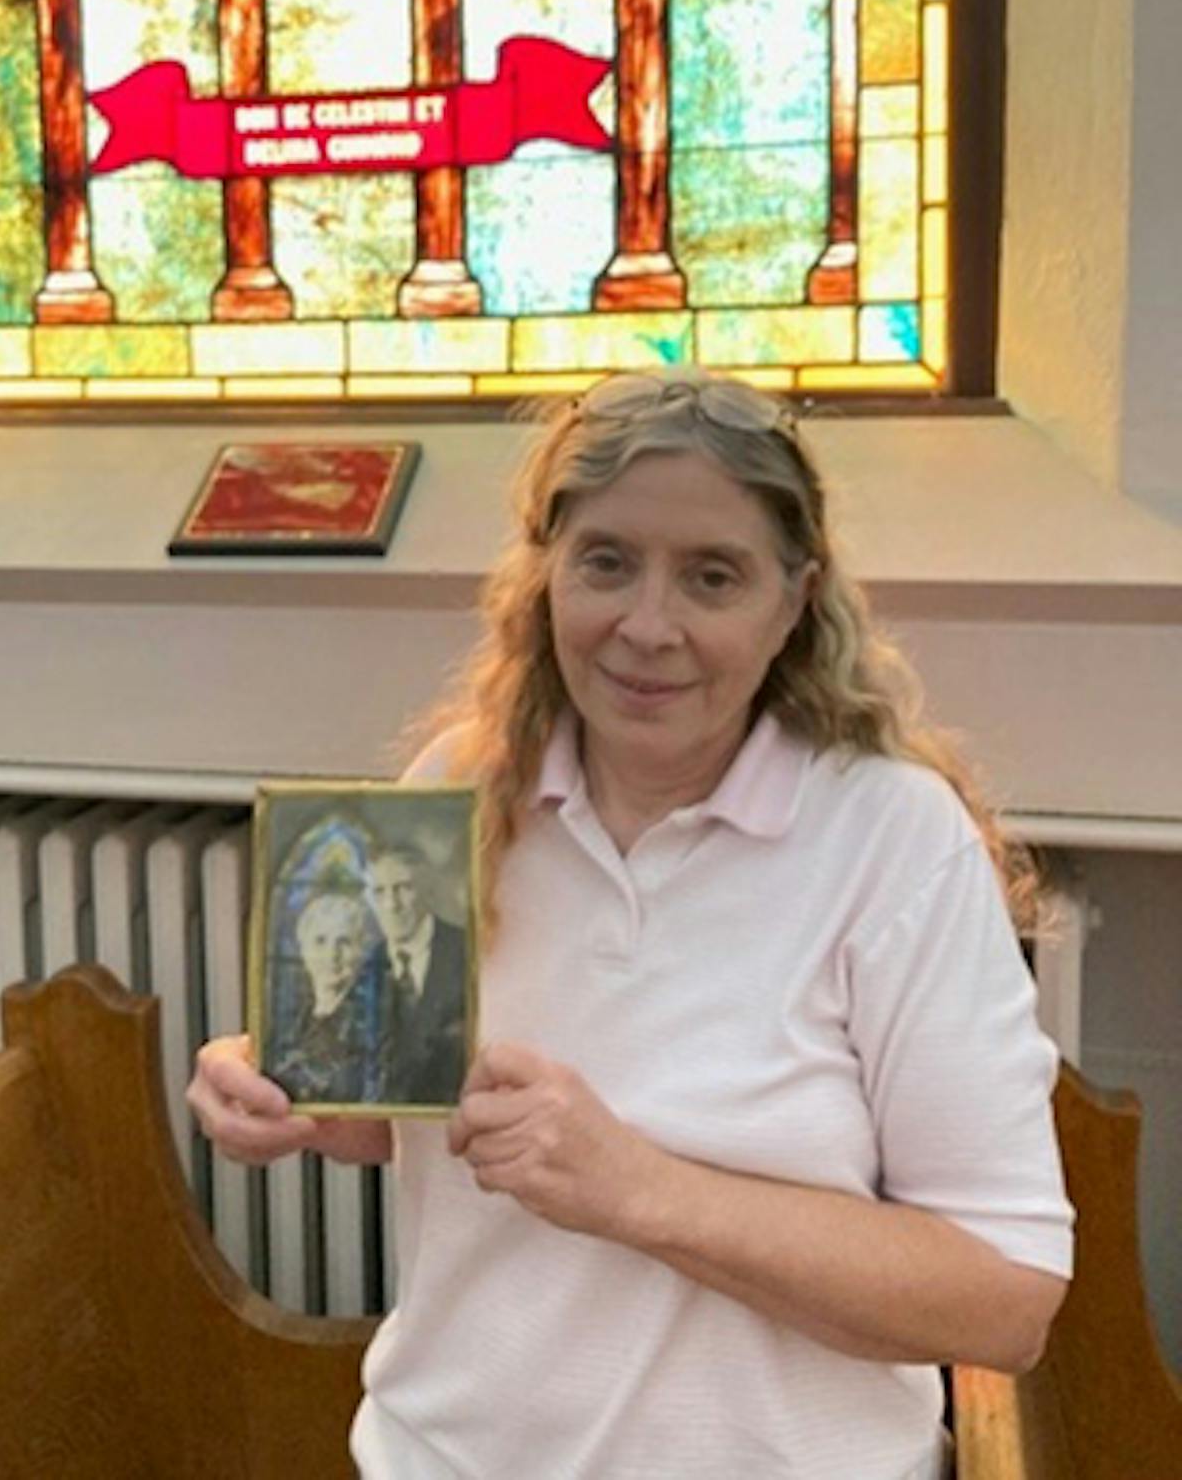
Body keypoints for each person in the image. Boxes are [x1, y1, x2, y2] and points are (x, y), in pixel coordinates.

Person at [189, 370, 1073, 1480]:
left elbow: (1002, 1300)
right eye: (604, 561)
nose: (646, 627)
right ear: (545, 574)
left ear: (792, 600)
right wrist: (283, 1091)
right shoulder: (457, 787)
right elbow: (383, 1113)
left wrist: (639, 1190)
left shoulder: (891, 836)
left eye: (711, 577)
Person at [365, 839, 467, 1105]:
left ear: (428, 890)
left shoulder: (467, 951)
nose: (391, 904)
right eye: (379, 892)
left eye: (403, 888)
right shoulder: (362, 967)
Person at [263, 886, 380, 1106]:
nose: (331, 955)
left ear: (362, 951)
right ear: (303, 950)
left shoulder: (372, 1026)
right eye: (320, 941)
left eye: (344, 942)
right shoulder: (289, 1021)